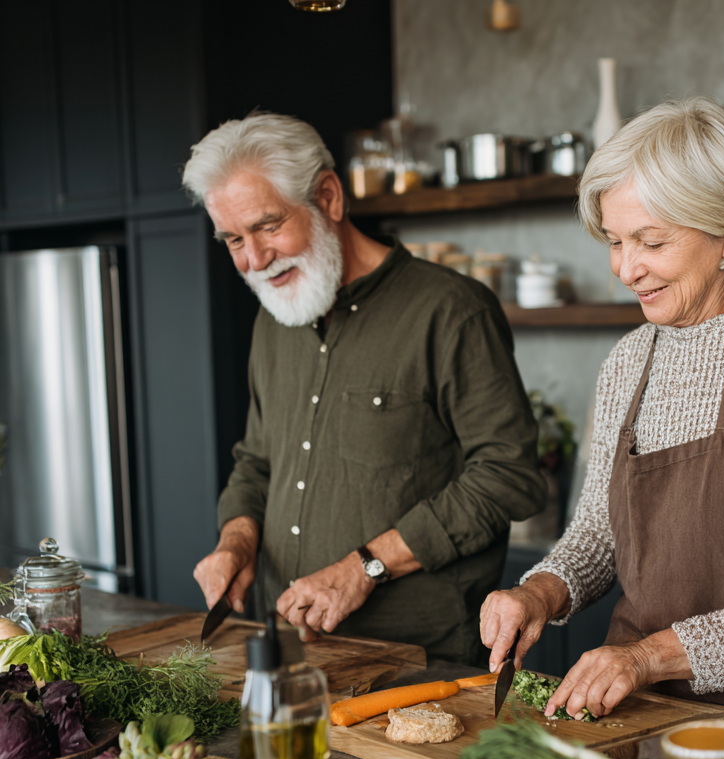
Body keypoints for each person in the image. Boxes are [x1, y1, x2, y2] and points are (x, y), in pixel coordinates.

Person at [480, 98, 724, 718]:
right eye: (615, 242)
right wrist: (540, 593)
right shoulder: (626, 361)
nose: (626, 269)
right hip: (651, 710)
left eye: (651, 241)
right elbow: (598, 536)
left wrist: (648, 657)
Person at [183, 112, 546, 664]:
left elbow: (507, 477)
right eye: (233, 238)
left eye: (268, 226)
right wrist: (236, 541)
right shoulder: (272, 319)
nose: (253, 261)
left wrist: (364, 568)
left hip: (419, 660)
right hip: (283, 644)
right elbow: (257, 460)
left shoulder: (451, 310)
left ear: (328, 196)